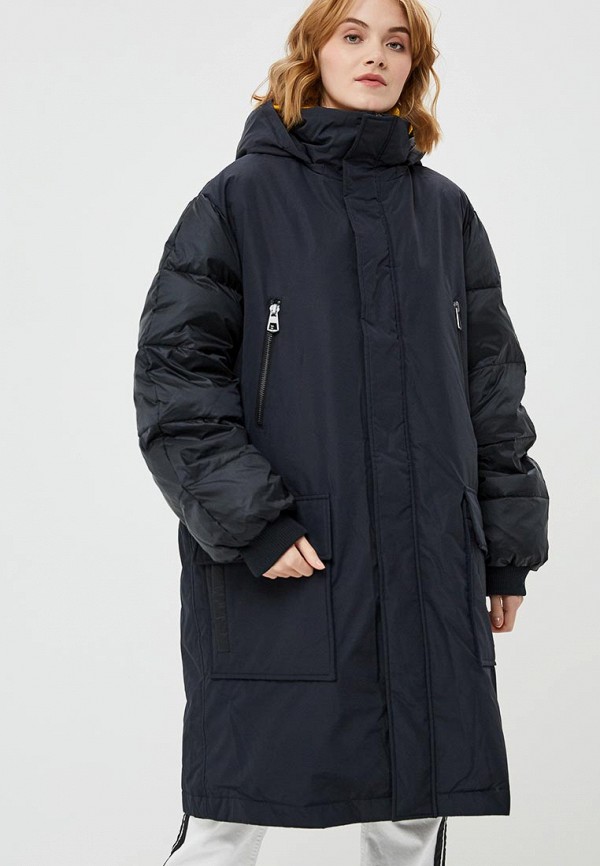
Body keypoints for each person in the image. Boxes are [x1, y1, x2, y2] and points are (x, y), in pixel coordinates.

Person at [133, 0, 550, 863]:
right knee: (230, 815)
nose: (375, 56)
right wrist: (253, 519)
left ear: (414, 66)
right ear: (313, 53)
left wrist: (505, 547)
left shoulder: (444, 212)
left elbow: (492, 389)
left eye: (396, 43)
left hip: (430, 555)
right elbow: (176, 377)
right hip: (291, 550)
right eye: (352, 36)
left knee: (410, 813)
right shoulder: (240, 199)